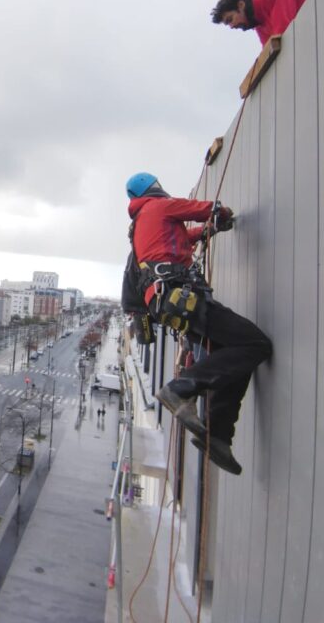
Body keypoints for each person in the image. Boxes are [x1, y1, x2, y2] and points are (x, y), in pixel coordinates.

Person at [125, 171, 272, 475]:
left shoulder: (142, 224)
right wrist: (221, 214)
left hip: (168, 303)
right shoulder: (160, 206)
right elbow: (203, 208)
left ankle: (218, 435)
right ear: (155, 188)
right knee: (254, 344)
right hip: (181, 296)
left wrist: (210, 230)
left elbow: (189, 236)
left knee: (232, 356)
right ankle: (180, 389)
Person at [211, 0, 311, 46]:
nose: (232, 26)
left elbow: (283, 34)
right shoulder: (261, 28)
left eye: (230, 19)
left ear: (241, 5)